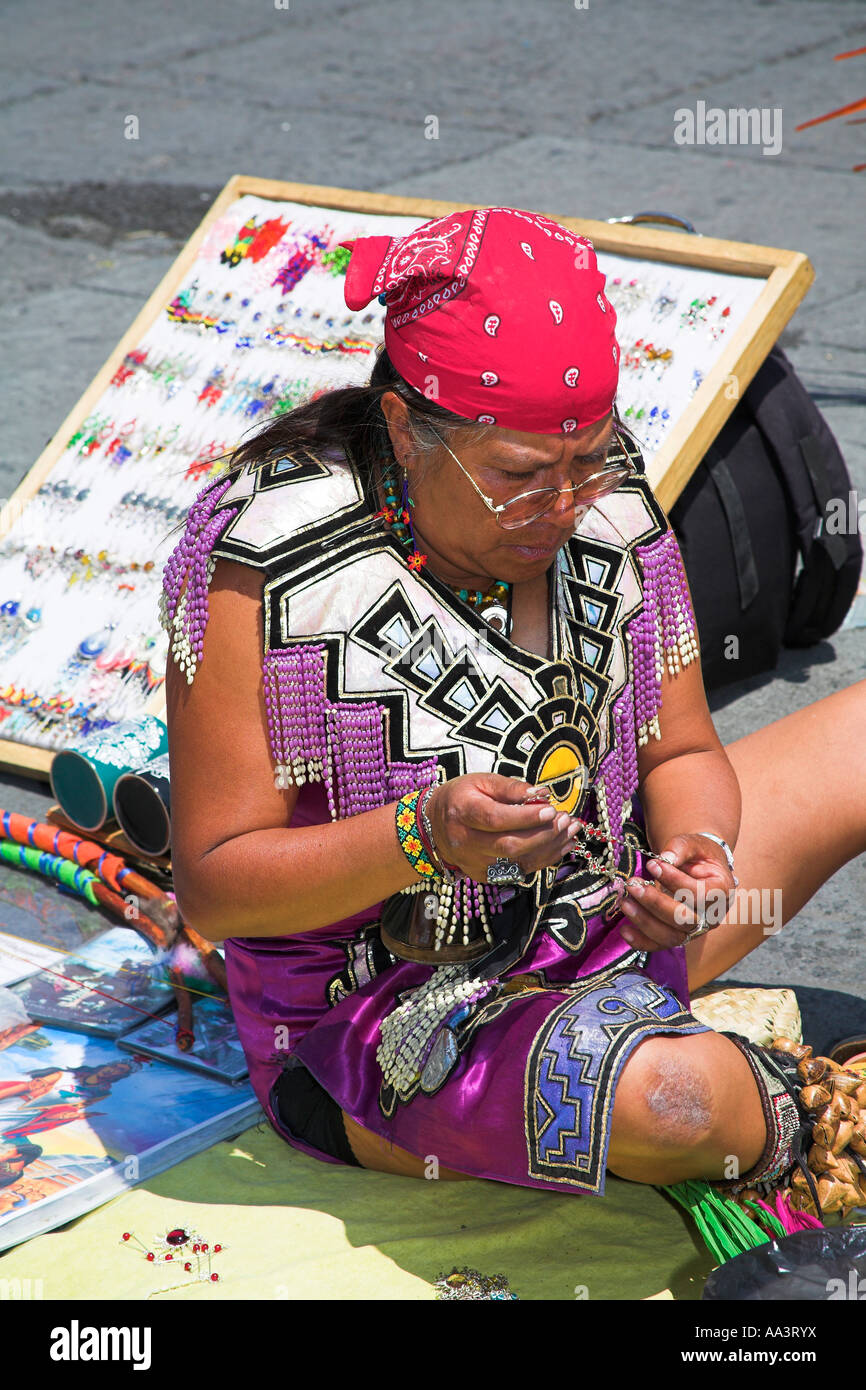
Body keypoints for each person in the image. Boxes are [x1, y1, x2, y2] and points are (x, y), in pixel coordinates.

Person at [161, 207, 866, 1212]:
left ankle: (686, 1057)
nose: (564, 506)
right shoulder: (264, 567)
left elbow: (678, 756)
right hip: (386, 1027)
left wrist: (700, 854)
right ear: (406, 429)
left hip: (605, 929)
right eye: (519, 479)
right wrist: (425, 832)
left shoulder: (603, 501)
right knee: (673, 1102)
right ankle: (805, 1117)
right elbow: (217, 891)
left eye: (584, 464)